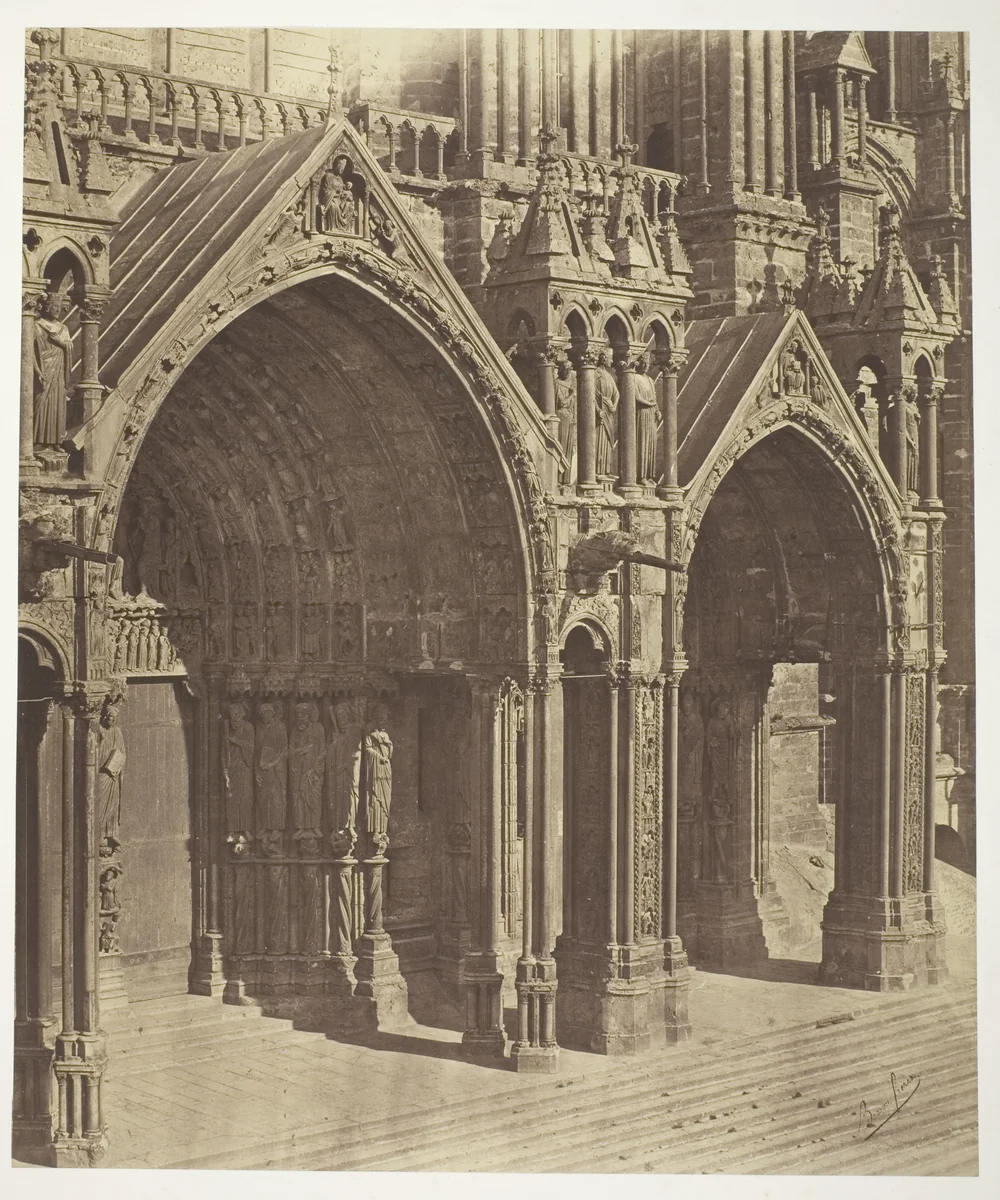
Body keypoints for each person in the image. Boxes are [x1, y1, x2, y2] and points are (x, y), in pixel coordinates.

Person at [33, 289, 74, 446]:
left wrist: (61, 343)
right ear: (47, 307)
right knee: (41, 402)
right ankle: (37, 440)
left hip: (58, 373)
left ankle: (55, 441)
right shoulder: (37, 326)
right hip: (44, 370)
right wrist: (37, 370)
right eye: (55, 306)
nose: (58, 310)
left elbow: (69, 347)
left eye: (59, 307)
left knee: (57, 404)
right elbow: (28, 352)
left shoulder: (63, 329)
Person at [98, 704, 127, 850]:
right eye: (110, 717)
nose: (112, 720)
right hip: (101, 774)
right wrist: (101, 741)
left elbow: (122, 752)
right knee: (101, 804)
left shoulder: (117, 731)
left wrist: (117, 766)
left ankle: (111, 832)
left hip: (113, 774)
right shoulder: (99, 730)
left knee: (113, 804)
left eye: (114, 718)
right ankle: (99, 835)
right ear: (104, 716)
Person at [634, 355, 661, 484]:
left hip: (651, 414)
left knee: (651, 443)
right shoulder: (634, 377)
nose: (646, 366)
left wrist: (657, 410)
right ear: (638, 363)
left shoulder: (650, 379)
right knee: (642, 442)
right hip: (642, 413)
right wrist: (650, 404)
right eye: (643, 363)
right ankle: (641, 476)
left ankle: (650, 475)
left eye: (647, 363)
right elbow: (636, 397)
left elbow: (654, 397)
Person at [595, 350, 619, 478]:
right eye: (610, 358)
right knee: (600, 438)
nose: (612, 361)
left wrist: (614, 405)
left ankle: (606, 469)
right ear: (603, 358)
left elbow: (616, 393)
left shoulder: (610, 376)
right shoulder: (595, 373)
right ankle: (598, 470)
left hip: (609, 411)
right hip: (600, 411)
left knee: (608, 440)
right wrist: (598, 409)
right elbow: (590, 394)